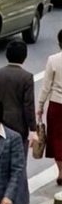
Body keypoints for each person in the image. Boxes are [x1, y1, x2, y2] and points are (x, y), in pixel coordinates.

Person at [0, 39, 36, 204]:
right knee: (19, 165)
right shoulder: (26, 77)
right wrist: (33, 129)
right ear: (24, 57)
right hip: (18, 125)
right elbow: (28, 105)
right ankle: (20, 203)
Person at [37, 29, 62, 185]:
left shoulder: (53, 60)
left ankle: (61, 172)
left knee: (57, 139)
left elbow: (46, 86)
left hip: (57, 104)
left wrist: (40, 105)